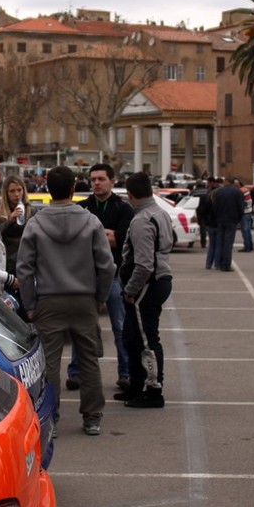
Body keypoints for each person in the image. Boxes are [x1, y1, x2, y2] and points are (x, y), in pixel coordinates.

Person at [16, 165, 115, 437]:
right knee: (89, 360)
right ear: (74, 188)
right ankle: (92, 416)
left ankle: (52, 417)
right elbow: (107, 266)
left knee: (49, 364)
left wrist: (30, 304)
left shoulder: (36, 223)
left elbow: (24, 269)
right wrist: (100, 297)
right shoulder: (91, 221)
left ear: (48, 189)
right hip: (84, 298)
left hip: (49, 300)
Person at [66, 163, 134, 391]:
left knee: (119, 326)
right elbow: (75, 238)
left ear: (112, 181)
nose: (96, 183)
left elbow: (124, 239)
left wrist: (97, 236)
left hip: (113, 276)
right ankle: (75, 372)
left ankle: (126, 372)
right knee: (81, 326)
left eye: (101, 179)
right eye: (93, 179)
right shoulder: (82, 207)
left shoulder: (123, 209)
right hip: (84, 277)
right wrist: (107, 235)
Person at [115, 172, 173, 408]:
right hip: (158, 280)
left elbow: (144, 264)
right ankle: (137, 384)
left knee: (147, 339)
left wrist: (130, 290)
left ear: (130, 195)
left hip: (147, 286)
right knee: (133, 337)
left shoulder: (142, 220)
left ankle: (153, 390)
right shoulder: (160, 213)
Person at [212, 176, 244, 271]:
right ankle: (226, 264)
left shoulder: (218, 192)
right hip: (231, 220)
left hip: (221, 220)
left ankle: (220, 263)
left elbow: (215, 206)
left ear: (225, 181)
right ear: (233, 183)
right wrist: (238, 218)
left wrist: (217, 217)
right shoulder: (237, 192)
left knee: (221, 241)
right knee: (228, 243)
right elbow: (240, 207)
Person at [235, 179, 254, 252]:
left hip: (244, 212)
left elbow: (241, 203)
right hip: (249, 211)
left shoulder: (240, 191)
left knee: (245, 230)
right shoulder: (246, 189)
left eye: (236, 185)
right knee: (248, 230)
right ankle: (250, 245)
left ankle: (247, 246)